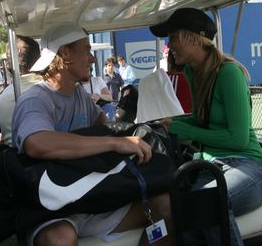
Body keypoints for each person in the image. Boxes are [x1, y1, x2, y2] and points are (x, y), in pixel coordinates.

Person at [12, 22, 173, 246]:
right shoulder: (35, 100)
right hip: (52, 208)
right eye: (87, 50)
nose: (92, 58)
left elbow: (108, 128)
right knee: (60, 239)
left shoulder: (78, 94)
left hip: (90, 199)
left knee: (166, 206)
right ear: (65, 54)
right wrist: (114, 143)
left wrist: (147, 128)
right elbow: (37, 143)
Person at [150, 7, 262, 246]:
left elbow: (238, 140)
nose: (169, 44)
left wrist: (182, 129)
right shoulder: (191, 72)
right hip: (210, 167)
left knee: (206, 204)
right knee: (186, 220)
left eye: (173, 37)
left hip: (247, 167)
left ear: (193, 38)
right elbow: (200, 119)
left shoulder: (229, 73)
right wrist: (170, 123)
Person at [0, 36, 41, 146]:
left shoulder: (0, 100)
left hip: (15, 160)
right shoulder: (52, 89)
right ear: (39, 59)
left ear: (8, 64)